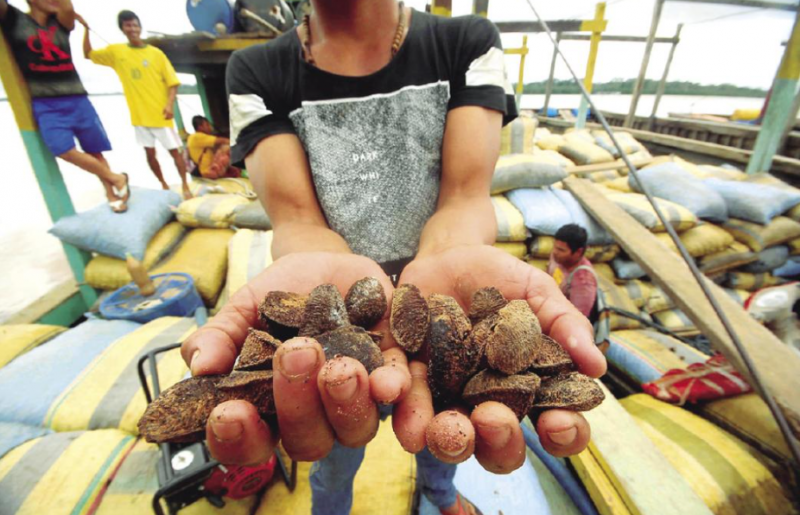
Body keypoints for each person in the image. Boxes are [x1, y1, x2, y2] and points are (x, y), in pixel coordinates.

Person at [181, 2, 606, 515]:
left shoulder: (466, 42)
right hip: (330, 314)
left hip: (442, 301)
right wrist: (320, 289)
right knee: (332, 442)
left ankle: (441, 496)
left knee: (444, 431)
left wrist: (453, 256)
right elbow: (296, 218)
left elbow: (466, 196)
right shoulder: (255, 69)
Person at [0, 0, 130, 213]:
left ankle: (111, 193)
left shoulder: (61, 22)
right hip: (45, 102)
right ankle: (117, 178)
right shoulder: (15, 20)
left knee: (94, 150)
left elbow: (67, 7)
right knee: (62, 149)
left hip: (77, 98)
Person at [81, 9, 192, 199]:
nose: (132, 29)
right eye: (128, 25)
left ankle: (185, 185)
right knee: (150, 154)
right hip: (139, 117)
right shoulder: (116, 52)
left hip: (160, 114)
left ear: (140, 27)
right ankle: (163, 184)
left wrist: (169, 105)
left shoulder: (156, 54)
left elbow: (173, 83)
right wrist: (85, 30)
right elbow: (88, 54)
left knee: (175, 152)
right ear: (122, 29)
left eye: (134, 25)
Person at [548, 224, 598, 319]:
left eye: (561, 250)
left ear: (578, 252)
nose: (555, 252)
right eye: (555, 247)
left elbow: (577, 319)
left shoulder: (584, 281)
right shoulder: (558, 258)